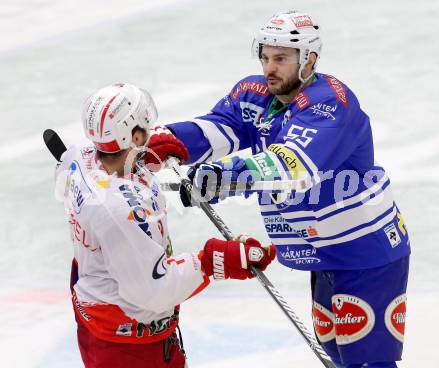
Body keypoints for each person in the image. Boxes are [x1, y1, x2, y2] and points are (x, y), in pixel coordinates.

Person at [147, 10, 411, 368]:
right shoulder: (255, 94)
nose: (270, 68)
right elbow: (222, 126)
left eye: (281, 59)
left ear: (309, 60)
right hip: (326, 251)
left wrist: (224, 178)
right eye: (266, 57)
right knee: (334, 353)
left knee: (366, 363)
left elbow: (292, 167)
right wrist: (172, 140)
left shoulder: (330, 103)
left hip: (366, 252)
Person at [53, 83, 275, 368]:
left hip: (105, 323)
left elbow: (71, 170)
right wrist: (212, 261)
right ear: (132, 136)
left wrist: (140, 158)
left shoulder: (81, 155)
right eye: (145, 127)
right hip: (128, 349)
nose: (151, 129)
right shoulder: (120, 213)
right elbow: (152, 292)